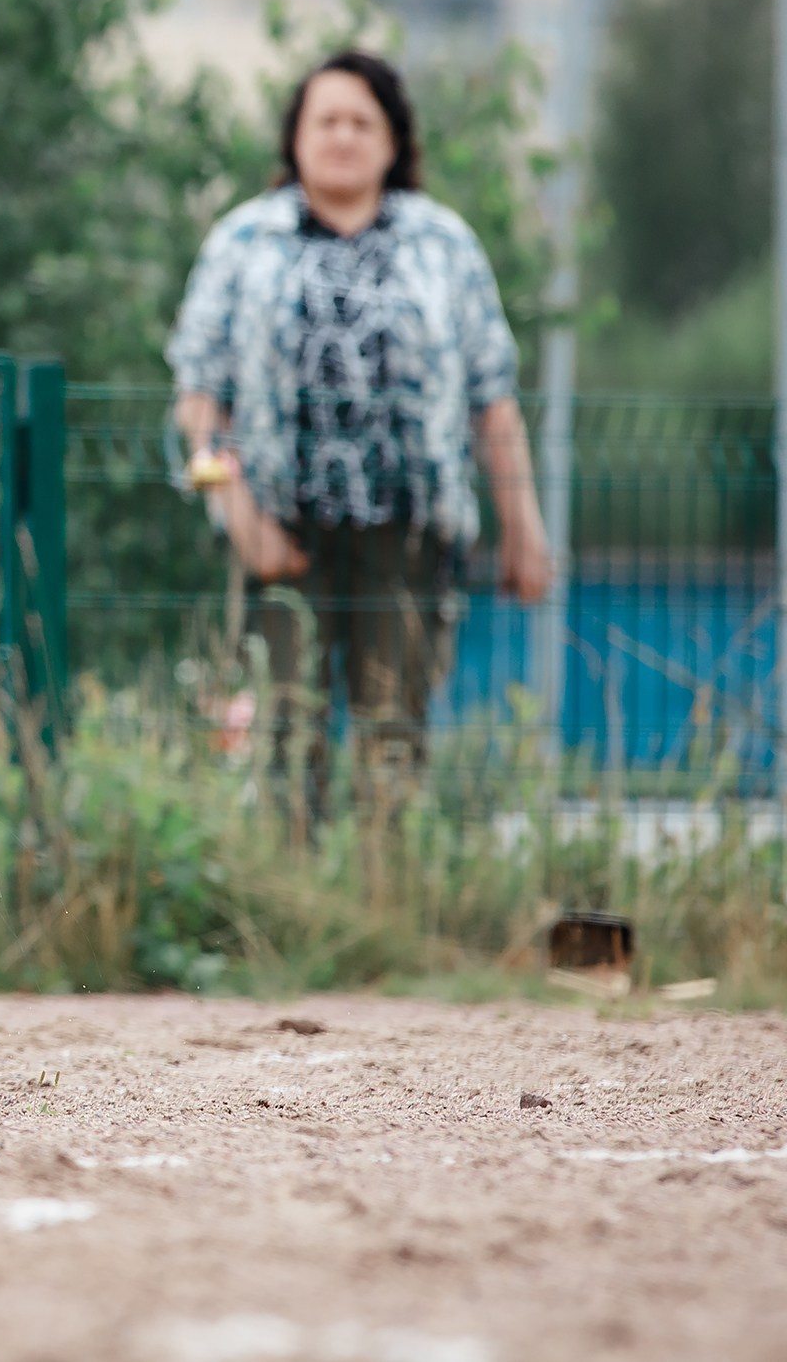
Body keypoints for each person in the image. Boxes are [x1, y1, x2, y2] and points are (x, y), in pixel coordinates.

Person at [166, 50, 550, 831]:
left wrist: (524, 527)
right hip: (281, 529)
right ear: (296, 137)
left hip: (406, 534)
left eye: (361, 121)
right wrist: (240, 517)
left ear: (392, 140)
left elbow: (493, 399)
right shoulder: (243, 241)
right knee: (285, 730)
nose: (342, 136)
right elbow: (198, 403)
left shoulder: (443, 245)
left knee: (394, 734)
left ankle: (385, 912)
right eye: (326, 120)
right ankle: (287, 911)